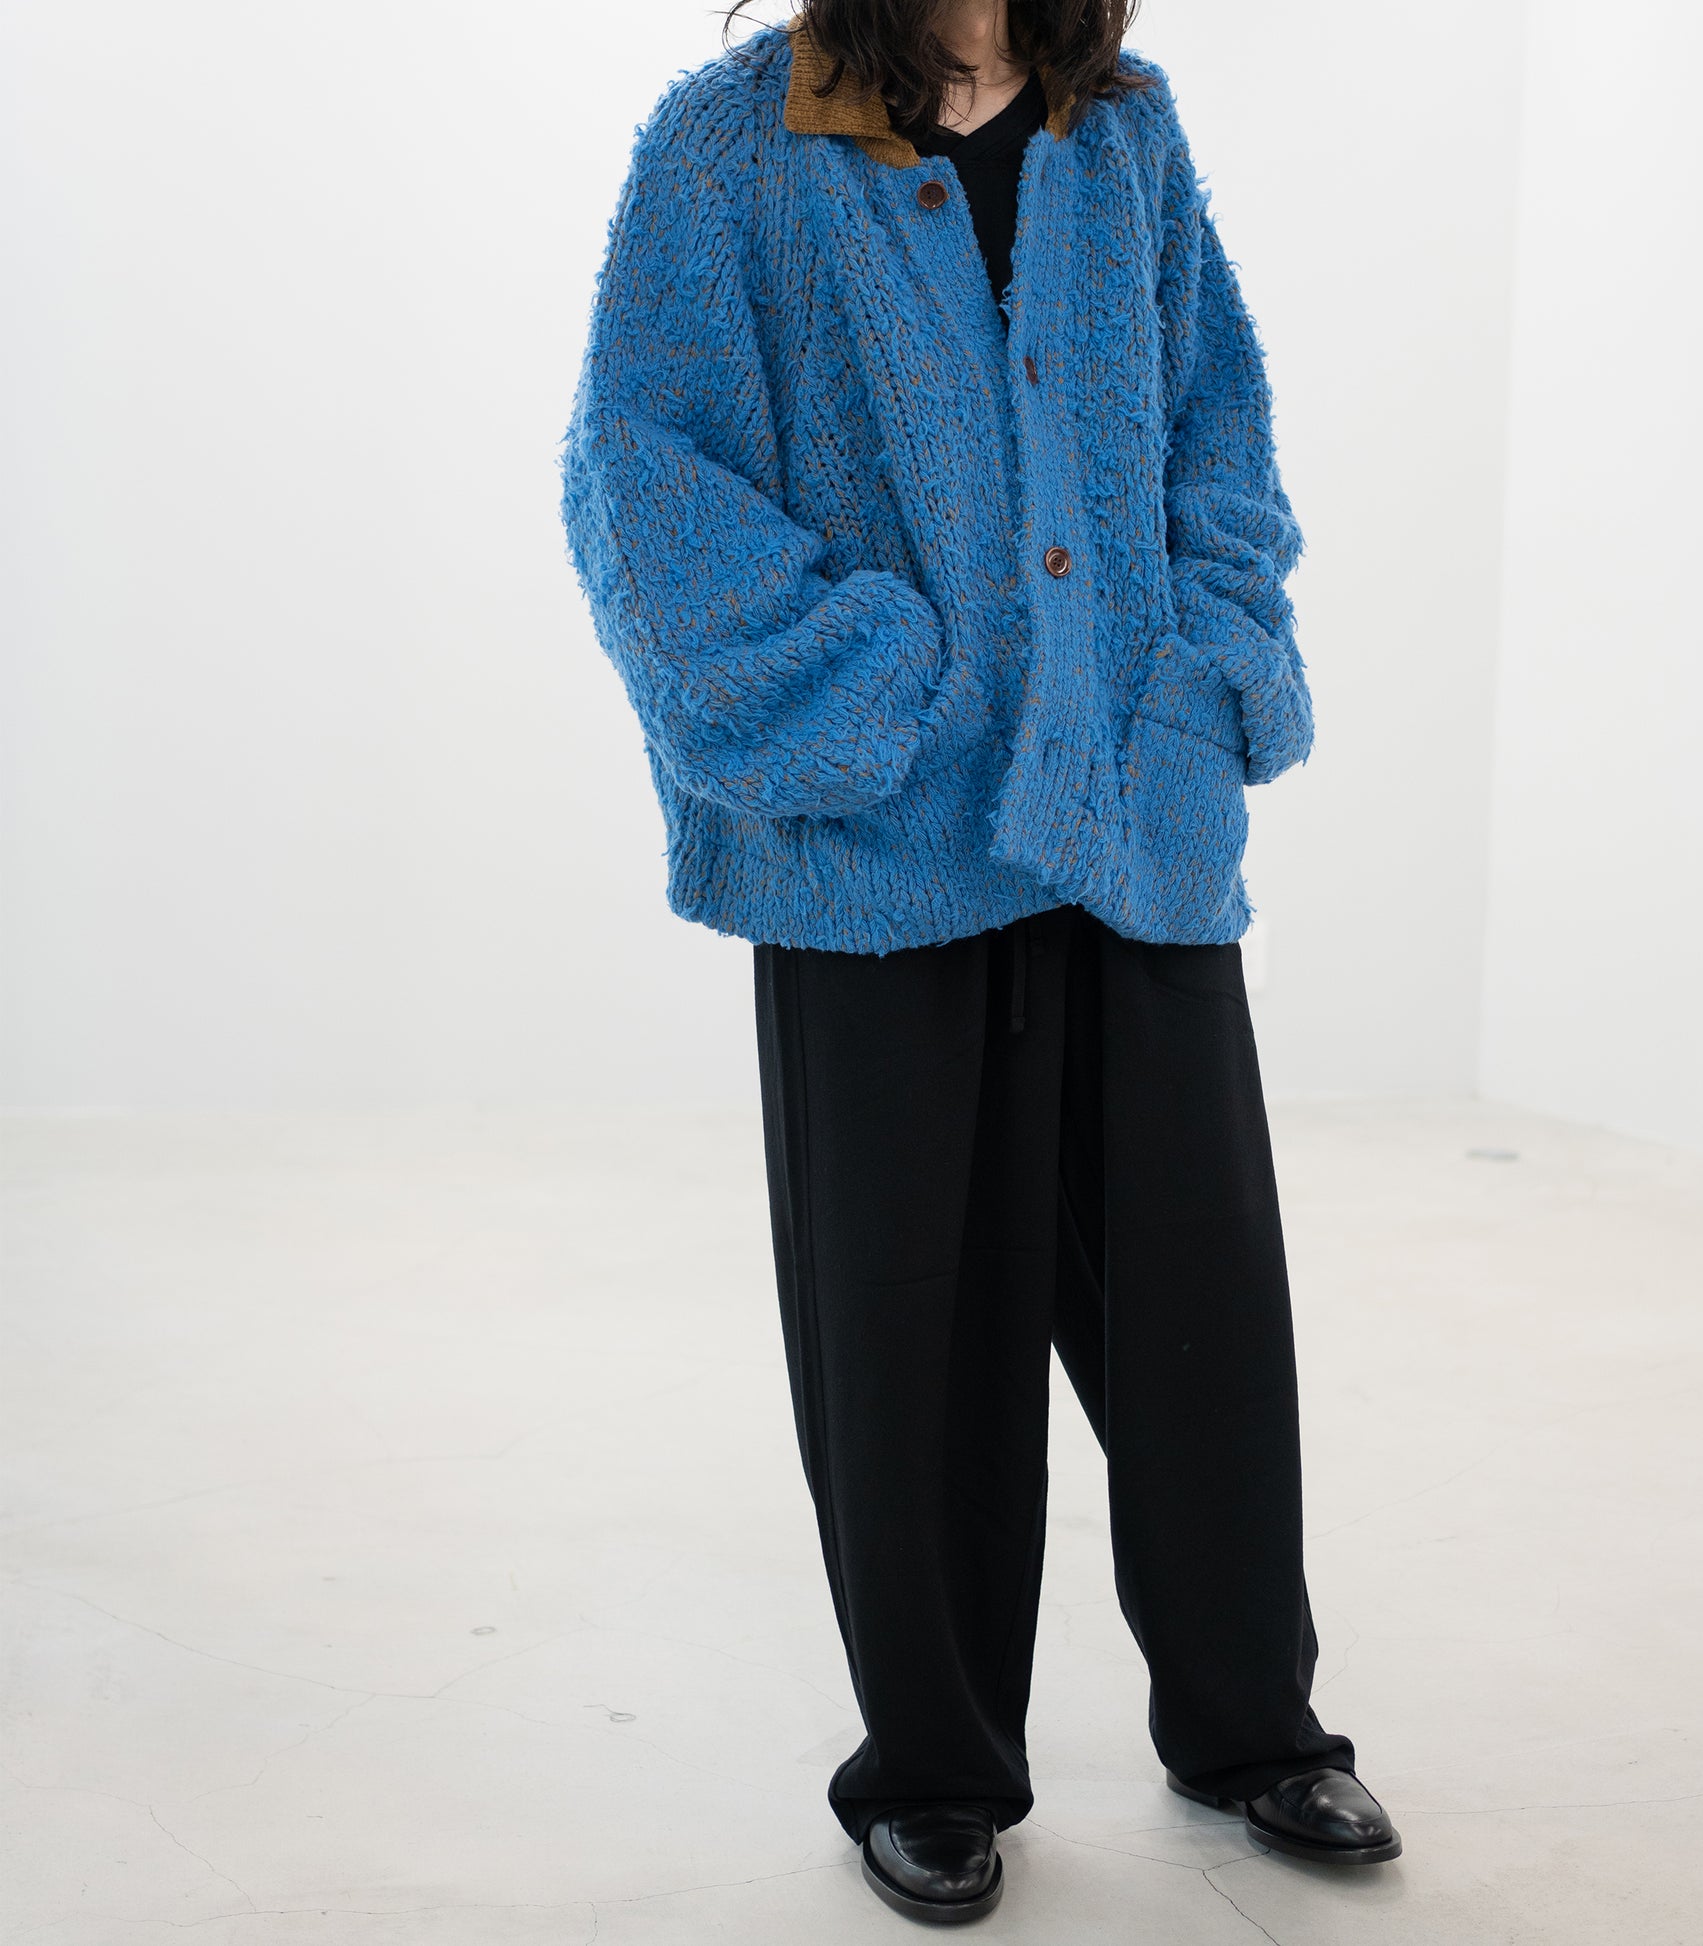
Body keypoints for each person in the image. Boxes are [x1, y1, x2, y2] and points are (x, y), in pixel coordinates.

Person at [560, 0, 1400, 1923]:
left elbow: (1216, 426)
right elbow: (642, 472)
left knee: (1199, 1297)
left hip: (1129, 808)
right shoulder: (738, 139)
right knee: (907, 1320)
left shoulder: (1123, 126)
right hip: (882, 838)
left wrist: (1208, 673)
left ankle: (1253, 1725)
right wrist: (870, 696)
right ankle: (932, 1767)